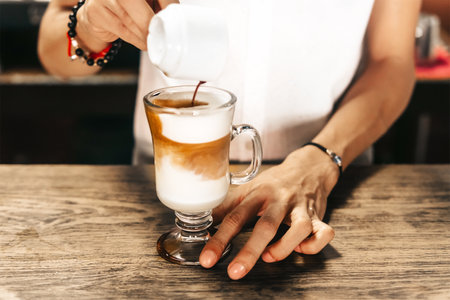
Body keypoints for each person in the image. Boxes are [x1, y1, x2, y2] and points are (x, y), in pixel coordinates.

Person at [38, 0, 421, 280]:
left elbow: (392, 61)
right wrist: (88, 23)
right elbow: (51, 45)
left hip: (316, 195)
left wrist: (321, 160)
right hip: (154, 211)